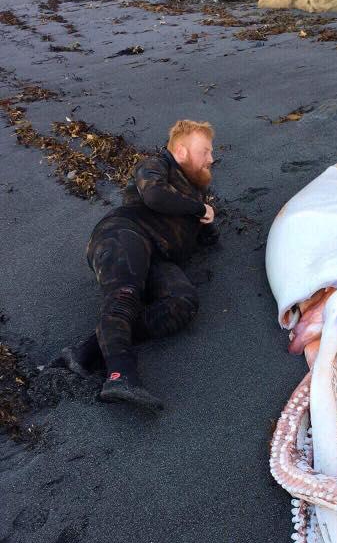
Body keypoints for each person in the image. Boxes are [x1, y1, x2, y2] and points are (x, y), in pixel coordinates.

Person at [59, 119, 219, 412]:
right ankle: (121, 375)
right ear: (182, 151)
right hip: (123, 234)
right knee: (125, 295)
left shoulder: (195, 192)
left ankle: (86, 350)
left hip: (159, 256)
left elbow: (203, 237)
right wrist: (199, 209)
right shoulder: (156, 165)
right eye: (205, 151)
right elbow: (155, 195)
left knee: (183, 302)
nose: (211, 158)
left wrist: (207, 223)